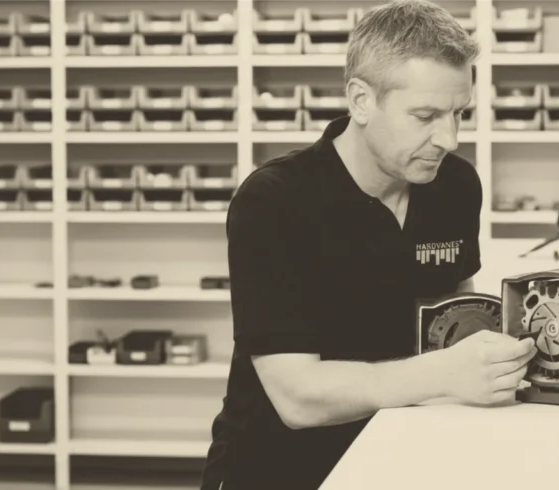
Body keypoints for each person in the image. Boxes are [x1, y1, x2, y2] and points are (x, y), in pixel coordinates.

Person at [200, 1, 537, 489]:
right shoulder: (273, 201)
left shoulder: (456, 185)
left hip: (405, 454)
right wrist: (442, 374)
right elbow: (297, 398)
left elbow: (454, 322)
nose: (449, 139)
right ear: (361, 100)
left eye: (458, 113)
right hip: (280, 469)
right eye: (425, 115)